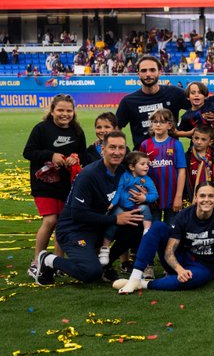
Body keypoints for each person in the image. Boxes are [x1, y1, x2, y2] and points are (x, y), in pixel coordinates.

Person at [32, 131, 145, 286]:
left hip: (98, 226)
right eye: (112, 147)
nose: (117, 152)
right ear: (103, 150)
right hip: (74, 229)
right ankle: (48, 260)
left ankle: (105, 265)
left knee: (137, 224)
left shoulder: (122, 172)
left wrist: (141, 196)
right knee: (90, 272)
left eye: (121, 148)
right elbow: (78, 214)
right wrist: (115, 219)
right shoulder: (89, 175)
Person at [114, 182, 214, 294]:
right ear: (196, 198)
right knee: (158, 226)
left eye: (211, 196)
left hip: (203, 266)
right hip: (180, 258)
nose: (206, 199)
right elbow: (169, 251)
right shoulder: (184, 215)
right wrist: (179, 269)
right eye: (202, 196)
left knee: (192, 279)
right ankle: (135, 277)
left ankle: (142, 283)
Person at [23, 94, 87, 280]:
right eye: (60, 110)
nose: (64, 114)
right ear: (52, 111)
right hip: (44, 183)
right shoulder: (41, 129)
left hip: (67, 184)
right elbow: (28, 152)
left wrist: (76, 158)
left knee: (62, 222)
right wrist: (50, 156)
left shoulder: (77, 131)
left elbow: (83, 154)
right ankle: (37, 261)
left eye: (69, 110)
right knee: (50, 220)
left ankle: (58, 262)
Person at [116, 54, 188, 148]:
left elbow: (199, 107)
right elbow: (115, 129)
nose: (148, 74)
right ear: (138, 74)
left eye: (152, 70)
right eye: (144, 70)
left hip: (170, 156)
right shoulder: (128, 101)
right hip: (142, 159)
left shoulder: (174, 93)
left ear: (160, 72)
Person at [100, 150, 157, 263]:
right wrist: (113, 203)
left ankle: (146, 232)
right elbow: (119, 191)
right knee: (114, 219)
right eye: (142, 164)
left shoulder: (147, 180)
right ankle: (105, 248)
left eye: (147, 164)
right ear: (131, 167)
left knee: (145, 209)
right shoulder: (125, 177)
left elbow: (155, 194)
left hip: (136, 207)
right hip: (122, 206)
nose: (146, 167)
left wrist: (144, 199)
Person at [139, 109, 186, 219]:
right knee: (154, 229)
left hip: (172, 195)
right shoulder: (145, 145)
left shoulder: (176, 144)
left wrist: (179, 196)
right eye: (155, 122)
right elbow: (140, 172)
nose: (158, 125)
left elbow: (181, 171)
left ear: (169, 125)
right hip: (152, 196)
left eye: (162, 122)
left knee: (171, 230)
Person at [183, 123, 214, 207]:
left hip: (209, 199)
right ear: (192, 138)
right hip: (190, 198)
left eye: (203, 139)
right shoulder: (186, 157)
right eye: (196, 138)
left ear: (211, 141)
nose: (199, 142)